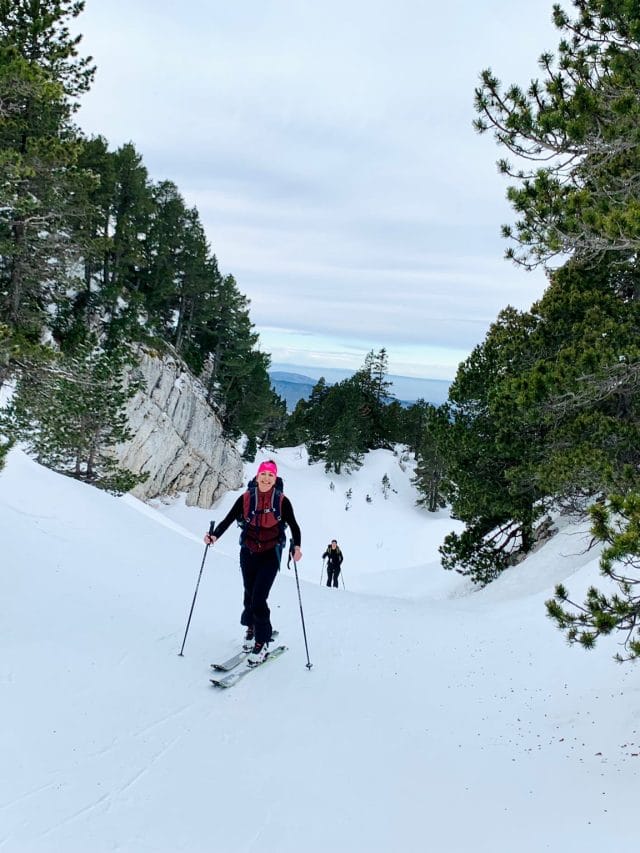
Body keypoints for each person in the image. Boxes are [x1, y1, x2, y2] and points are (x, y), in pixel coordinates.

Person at [203, 460, 302, 664]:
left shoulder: (282, 501)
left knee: (258, 598)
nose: (266, 479)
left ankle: (263, 640)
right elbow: (228, 519)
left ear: (275, 479)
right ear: (257, 477)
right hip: (248, 552)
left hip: (270, 554)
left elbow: (294, 526)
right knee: (249, 595)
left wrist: (297, 547)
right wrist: (214, 536)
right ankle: (251, 627)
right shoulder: (246, 498)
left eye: (270, 476)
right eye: (263, 475)